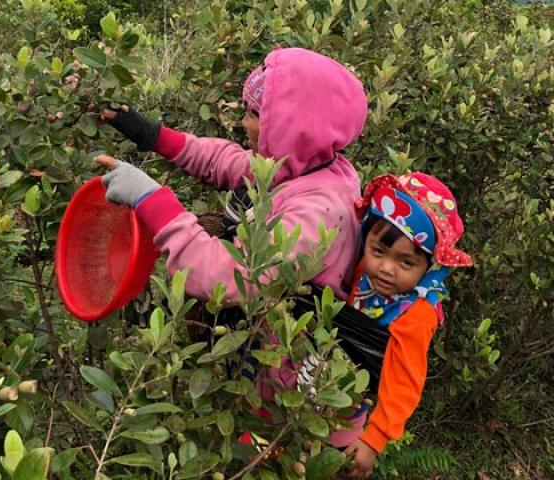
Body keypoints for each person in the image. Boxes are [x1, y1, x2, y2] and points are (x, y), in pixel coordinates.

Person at [94, 47, 368, 306]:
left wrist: (152, 200)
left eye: (253, 114)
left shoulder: (319, 211)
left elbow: (226, 277)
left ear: (293, 128)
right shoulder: (307, 162)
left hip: (280, 355)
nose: (244, 123)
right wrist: (147, 133)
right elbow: (223, 160)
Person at [323, 172, 472, 478]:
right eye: (379, 251)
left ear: (428, 267)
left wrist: (374, 439)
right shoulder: (365, 268)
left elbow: (404, 380)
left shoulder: (416, 313)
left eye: (406, 263)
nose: (386, 268)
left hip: (350, 405)